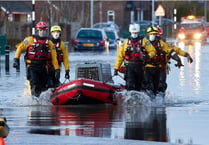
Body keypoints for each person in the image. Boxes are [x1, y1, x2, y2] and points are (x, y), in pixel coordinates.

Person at [13, 21, 60, 97]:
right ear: (37, 30)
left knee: (45, 84)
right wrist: (16, 59)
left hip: (43, 66)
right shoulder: (29, 40)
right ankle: (34, 102)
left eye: (44, 30)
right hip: (32, 66)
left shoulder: (49, 43)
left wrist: (57, 70)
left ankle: (43, 100)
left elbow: (54, 58)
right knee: (35, 83)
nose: (42, 31)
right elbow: (19, 48)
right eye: (41, 29)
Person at [114, 23, 156, 91]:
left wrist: (147, 56)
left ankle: (141, 97)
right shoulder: (125, 42)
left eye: (136, 33)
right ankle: (130, 98)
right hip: (129, 66)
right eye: (133, 32)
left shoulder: (144, 41)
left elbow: (153, 51)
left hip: (140, 66)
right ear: (130, 32)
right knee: (130, 84)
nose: (134, 34)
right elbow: (120, 56)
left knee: (140, 85)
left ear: (138, 32)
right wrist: (116, 68)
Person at [157, 27, 193, 94]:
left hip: (162, 67)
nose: (158, 37)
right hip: (149, 68)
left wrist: (187, 55)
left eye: (159, 35)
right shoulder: (147, 44)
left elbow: (177, 50)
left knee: (161, 85)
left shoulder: (167, 45)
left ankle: (159, 100)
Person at [144, 26, 174, 97]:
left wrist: (180, 57)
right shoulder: (145, 43)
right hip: (147, 68)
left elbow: (173, 51)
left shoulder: (163, 44)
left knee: (161, 85)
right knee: (147, 84)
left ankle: (160, 99)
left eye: (156, 34)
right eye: (152, 34)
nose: (154, 36)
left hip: (160, 68)